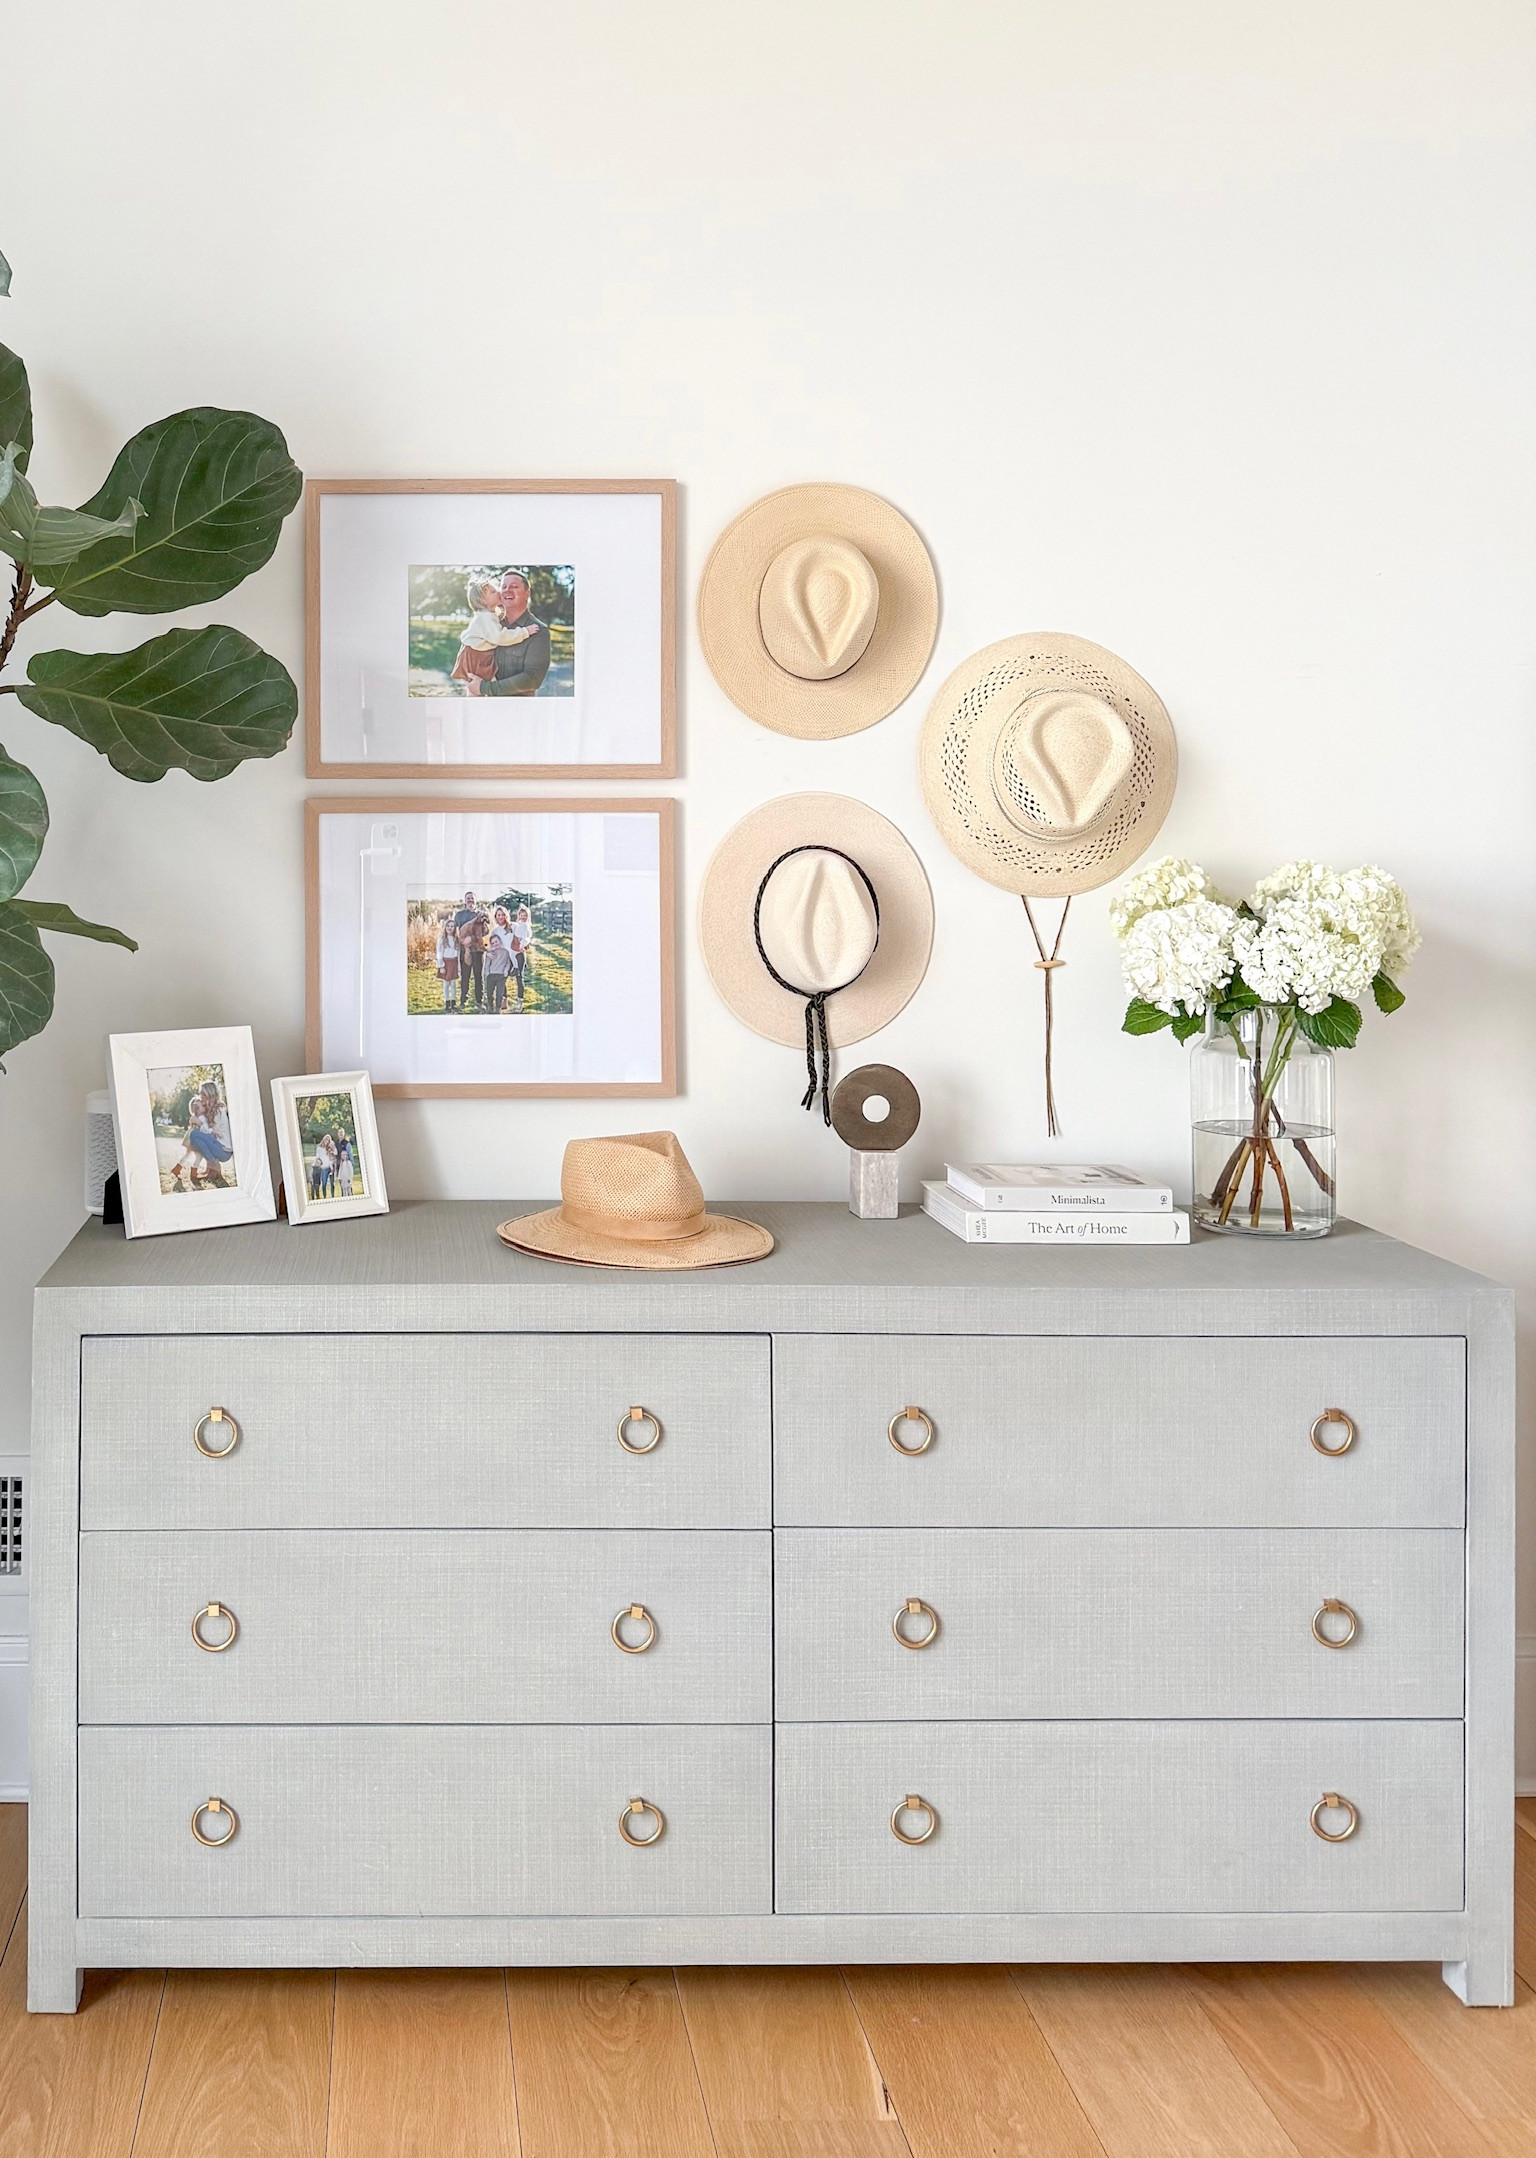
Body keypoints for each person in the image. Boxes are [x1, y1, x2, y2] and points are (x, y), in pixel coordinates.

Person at [449, 573, 541, 696]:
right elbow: (500, 637)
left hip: (477, 653)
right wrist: (525, 632)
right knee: (479, 688)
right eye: (493, 592)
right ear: (482, 600)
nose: (498, 592)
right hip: (476, 656)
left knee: (477, 688)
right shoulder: (485, 617)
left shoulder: (488, 615)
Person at [482, 570, 551, 697]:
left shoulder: (539, 631)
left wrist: (485, 688)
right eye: (504, 587)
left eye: (514, 586)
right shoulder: (491, 624)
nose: (507, 590)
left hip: (520, 705)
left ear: (527, 594)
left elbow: (532, 679)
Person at [184, 1081, 235, 1189]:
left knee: (194, 1135)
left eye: (203, 1093)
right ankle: (211, 1170)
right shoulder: (210, 1109)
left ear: (210, 1094)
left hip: (224, 1150)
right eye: (200, 1093)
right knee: (197, 1138)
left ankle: (214, 1164)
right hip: (218, 1146)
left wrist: (198, 1123)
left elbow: (211, 1134)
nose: (201, 1096)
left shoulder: (218, 1110)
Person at [453, 891, 490, 1012]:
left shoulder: (481, 914)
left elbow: (485, 931)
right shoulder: (459, 915)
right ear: (465, 901)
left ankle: (479, 1002)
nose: (470, 900)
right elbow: (454, 931)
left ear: (475, 900)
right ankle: (463, 1001)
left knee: (478, 976)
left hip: (478, 950)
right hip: (464, 950)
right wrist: (461, 941)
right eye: (468, 898)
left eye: (472, 898)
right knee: (465, 976)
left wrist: (472, 938)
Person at [483, 905, 515, 1014]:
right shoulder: (495, 931)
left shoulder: (511, 927)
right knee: (499, 980)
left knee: (502, 978)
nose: (500, 917)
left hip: (510, 956)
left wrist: (525, 943)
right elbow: (491, 943)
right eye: (498, 915)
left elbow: (522, 931)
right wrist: (488, 953)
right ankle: (501, 1002)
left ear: (506, 915)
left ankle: (501, 1001)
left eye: (502, 915)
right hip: (498, 956)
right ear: (495, 917)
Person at [509, 902, 536, 1013]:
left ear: (528, 917)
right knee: (511, 955)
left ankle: (519, 1001)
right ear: (518, 915)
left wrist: (522, 945)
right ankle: (514, 967)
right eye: (521, 915)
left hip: (520, 949)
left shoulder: (526, 926)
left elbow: (526, 938)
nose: (523, 917)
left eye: (525, 916)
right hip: (514, 946)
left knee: (519, 978)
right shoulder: (518, 924)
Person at [435, 909, 461, 1012]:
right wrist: (440, 965)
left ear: (454, 928)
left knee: (453, 984)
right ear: (445, 927)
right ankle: (446, 1003)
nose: (450, 928)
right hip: (445, 963)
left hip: (454, 962)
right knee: (446, 984)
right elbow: (439, 953)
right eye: (448, 926)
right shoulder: (442, 939)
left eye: (452, 926)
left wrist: (459, 967)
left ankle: (453, 1002)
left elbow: (458, 954)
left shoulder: (456, 939)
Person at [337, 1132, 355, 1198]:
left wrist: (350, 1178)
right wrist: (339, 1178)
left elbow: (351, 1171)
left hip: (348, 1178)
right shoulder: (341, 1163)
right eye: (339, 1132)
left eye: (342, 1132)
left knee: (349, 1188)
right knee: (343, 1189)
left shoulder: (348, 1163)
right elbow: (340, 1171)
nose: (343, 1156)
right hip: (343, 1178)